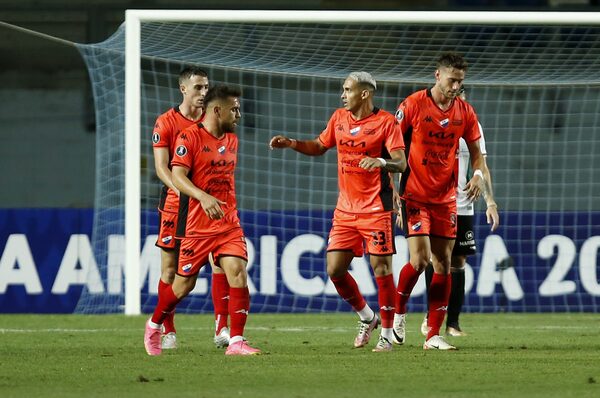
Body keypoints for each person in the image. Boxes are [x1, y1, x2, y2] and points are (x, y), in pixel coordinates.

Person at [269, 72, 406, 352]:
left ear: (364, 94)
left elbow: (401, 163)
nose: (343, 95)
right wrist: (292, 143)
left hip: (376, 208)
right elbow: (320, 146)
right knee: (334, 269)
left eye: (348, 90)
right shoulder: (339, 118)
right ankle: (367, 317)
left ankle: (387, 335)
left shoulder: (386, 122)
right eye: (343, 90)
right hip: (345, 209)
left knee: (381, 269)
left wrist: (379, 161)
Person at [144, 84, 260, 356]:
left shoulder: (232, 139)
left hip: (228, 221)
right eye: (234, 109)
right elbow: (178, 177)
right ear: (217, 110)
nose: (239, 115)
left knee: (237, 271)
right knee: (183, 284)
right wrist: (203, 198)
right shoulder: (188, 138)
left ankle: (236, 341)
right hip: (196, 224)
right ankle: (154, 324)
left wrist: (220, 203)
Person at [392, 52, 487, 350]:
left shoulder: (465, 113)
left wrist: (478, 177)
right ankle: (398, 313)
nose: (455, 86)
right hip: (415, 194)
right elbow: (393, 148)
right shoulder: (412, 105)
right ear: (437, 75)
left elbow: (477, 155)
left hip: (446, 199)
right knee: (419, 260)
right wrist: (392, 189)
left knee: (443, 263)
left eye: (460, 81)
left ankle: (433, 335)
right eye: (451, 80)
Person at [151, 67, 231, 351]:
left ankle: (222, 327)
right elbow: (162, 168)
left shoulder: (216, 120)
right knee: (171, 271)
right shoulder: (166, 122)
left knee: (221, 262)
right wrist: (188, 193)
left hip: (212, 204)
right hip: (177, 205)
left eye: (206, 87)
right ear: (183, 89)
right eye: (197, 87)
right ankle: (167, 330)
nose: (203, 93)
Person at [419, 89, 500, 338]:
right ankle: (430, 315)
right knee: (435, 258)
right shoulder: (429, 121)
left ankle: (452, 323)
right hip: (435, 201)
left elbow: (481, 165)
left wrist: (490, 201)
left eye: (460, 98)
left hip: (464, 203)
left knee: (459, 261)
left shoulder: (472, 126)